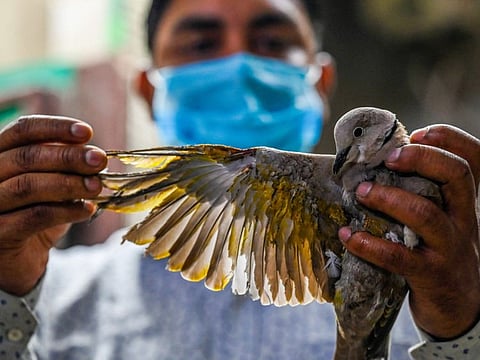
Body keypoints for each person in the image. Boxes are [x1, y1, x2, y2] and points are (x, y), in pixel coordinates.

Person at [0, 0, 478, 359]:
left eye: (273, 43)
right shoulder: (46, 301)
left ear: (322, 83)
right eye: (202, 44)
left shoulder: (436, 289)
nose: (240, 68)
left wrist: (459, 332)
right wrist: (7, 294)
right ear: (148, 89)